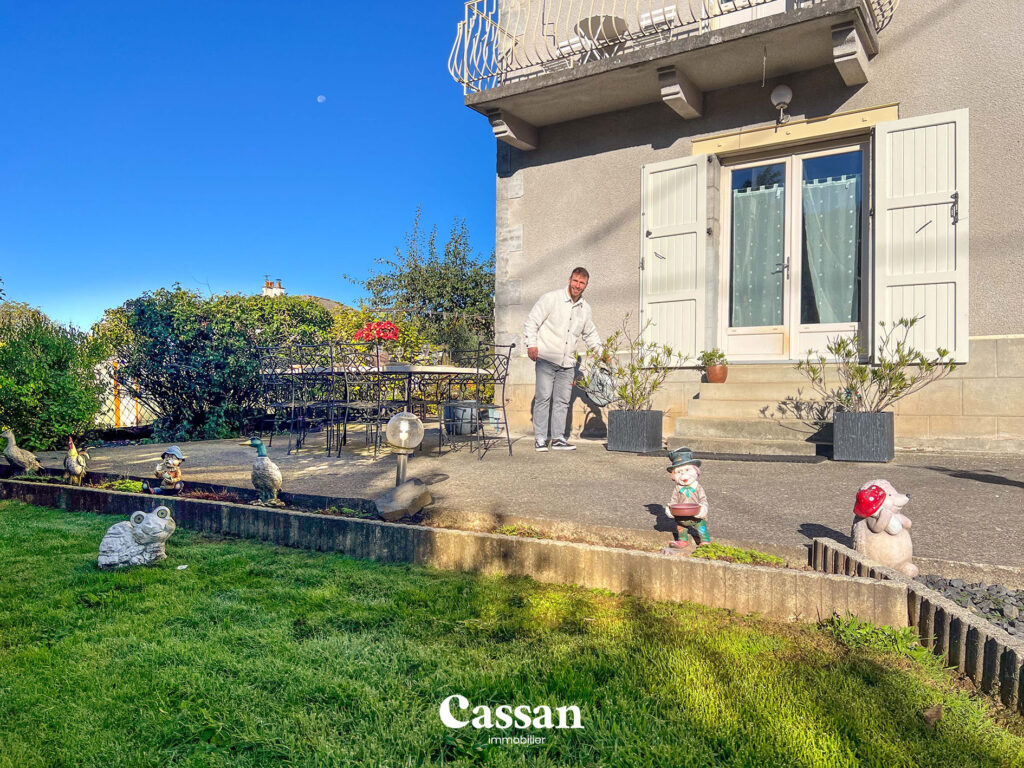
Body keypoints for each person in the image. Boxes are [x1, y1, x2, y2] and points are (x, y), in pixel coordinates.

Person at [522, 267, 601, 451]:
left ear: (586, 285)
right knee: (543, 398)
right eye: (575, 281)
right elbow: (532, 321)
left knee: (562, 401)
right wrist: (531, 344)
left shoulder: (585, 309)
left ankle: (558, 439)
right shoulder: (551, 298)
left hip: (568, 363)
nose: (577, 285)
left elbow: (590, 334)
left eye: (582, 283)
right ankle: (540, 438)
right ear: (569, 280)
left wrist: (602, 353)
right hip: (546, 359)